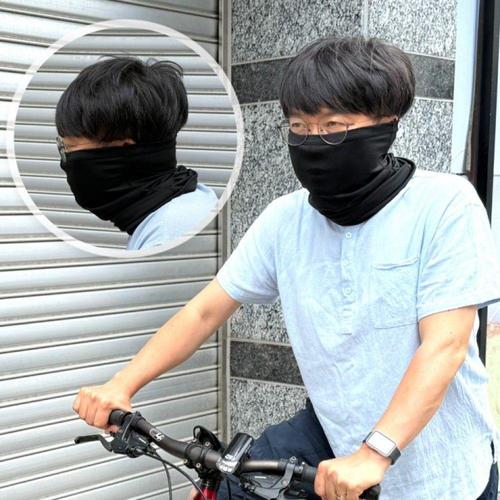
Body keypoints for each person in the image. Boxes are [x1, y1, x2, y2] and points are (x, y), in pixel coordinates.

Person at [72, 36, 500, 499]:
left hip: (439, 467)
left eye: (333, 126)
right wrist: (122, 384)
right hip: (333, 437)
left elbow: (444, 345)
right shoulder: (285, 219)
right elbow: (204, 311)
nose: (314, 142)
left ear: (388, 123)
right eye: (299, 127)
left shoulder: (444, 205)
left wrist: (374, 453)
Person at [55, 56, 218, 250]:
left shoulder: (166, 236)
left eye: (70, 149)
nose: (65, 162)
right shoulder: (188, 203)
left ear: (124, 151)